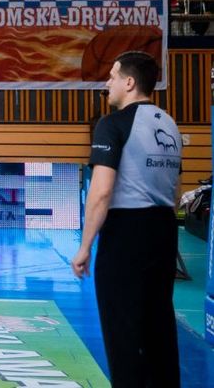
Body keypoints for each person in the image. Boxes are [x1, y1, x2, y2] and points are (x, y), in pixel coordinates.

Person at [71, 51, 182, 388]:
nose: (107, 83)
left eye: (113, 76)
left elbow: (101, 191)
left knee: (122, 331)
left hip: (126, 233)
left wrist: (85, 245)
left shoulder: (112, 124)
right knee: (159, 325)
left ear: (129, 82)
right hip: (164, 231)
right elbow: (176, 191)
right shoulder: (170, 124)